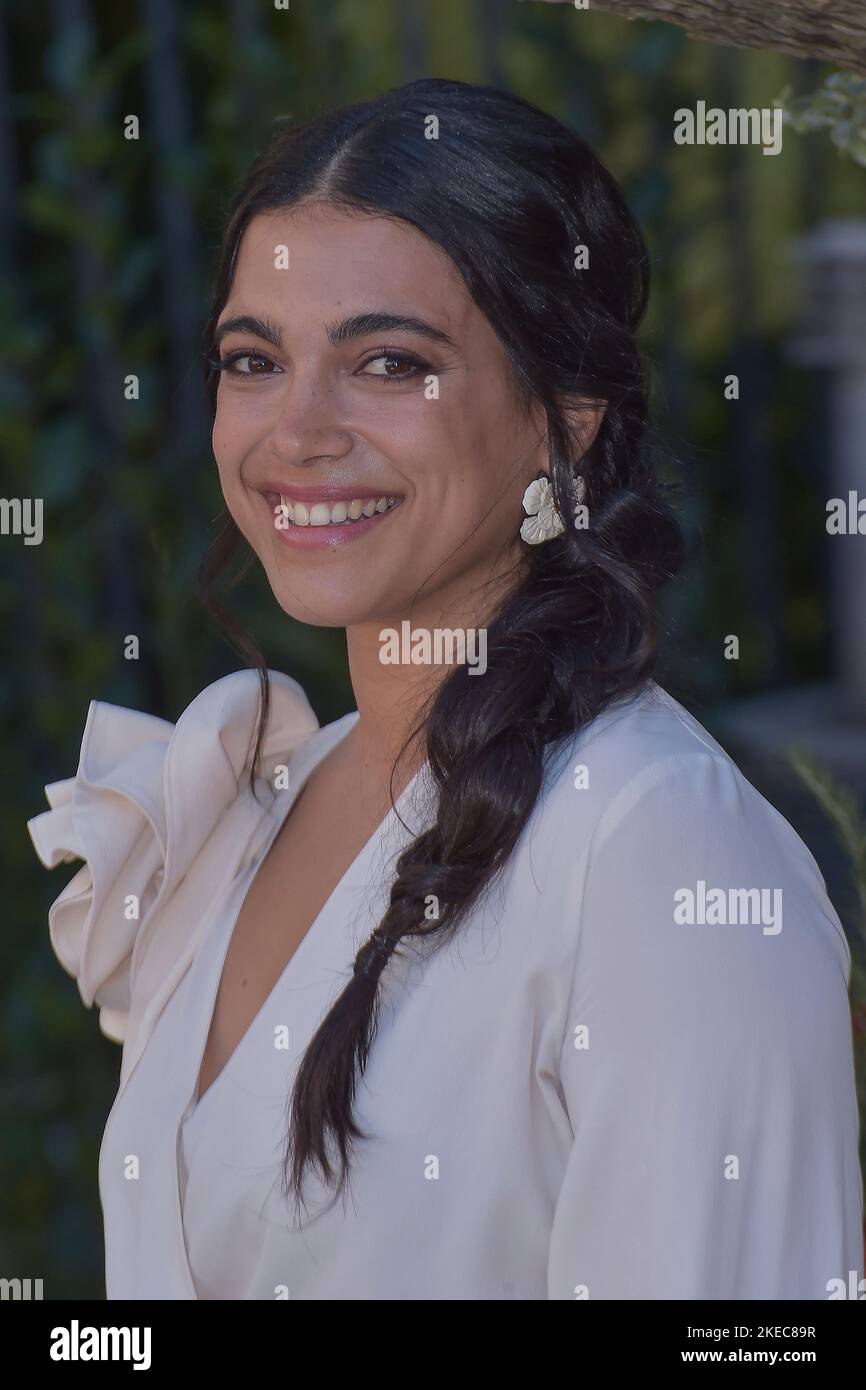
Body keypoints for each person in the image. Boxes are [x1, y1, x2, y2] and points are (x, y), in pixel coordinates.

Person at [28, 77, 863, 1300]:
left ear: (564, 420)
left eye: (387, 362)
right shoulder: (258, 796)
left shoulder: (664, 864)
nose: (297, 432)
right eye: (254, 359)